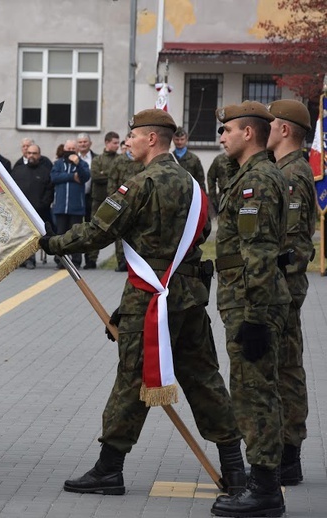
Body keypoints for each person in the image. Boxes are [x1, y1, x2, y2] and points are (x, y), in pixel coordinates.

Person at [39, 109, 245, 501]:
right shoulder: (192, 184)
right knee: (204, 378)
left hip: (150, 299)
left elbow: (97, 232)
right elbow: (203, 230)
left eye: (133, 135)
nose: (128, 141)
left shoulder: (139, 185)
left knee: (132, 380)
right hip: (188, 297)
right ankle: (235, 467)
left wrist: (50, 243)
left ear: (152, 139)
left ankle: (108, 470)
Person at [211, 101, 291, 518]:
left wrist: (256, 317)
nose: (221, 136)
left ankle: (264, 492)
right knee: (256, 391)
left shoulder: (256, 182)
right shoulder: (248, 175)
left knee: (254, 395)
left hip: (251, 304)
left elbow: (258, 252)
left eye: (227, 130)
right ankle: (265, 486)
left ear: (248, 133)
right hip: (246, 299)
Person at [266, 100, 316, 486]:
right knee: (281, 367)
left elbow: (295, 246)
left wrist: (271, 280)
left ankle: (288, 455)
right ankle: (284, 453)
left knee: (285, 370)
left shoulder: (292, 175)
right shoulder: (282, 171)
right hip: (280, 286)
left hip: (284, 287)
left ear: (283, 129)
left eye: (269, 124)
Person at [10, 144, 54, 268]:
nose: (31, 156)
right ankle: (20, 260)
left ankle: (31, 260)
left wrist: (43, 205)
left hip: (38, 211)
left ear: (39, 155)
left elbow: (49, 191)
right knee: (20, 236)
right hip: (20, 210)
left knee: (34, 237)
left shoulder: (45, 171)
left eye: (34, 153)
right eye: (29, 153)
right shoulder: (18, 170)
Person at [50, 139, 90, 268]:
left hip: (76, 207)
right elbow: (54, 177)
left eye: (73, 149)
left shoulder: (82, 163)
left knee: (75, 235)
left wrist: (78, 165)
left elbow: (85, 177)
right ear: (64, 149)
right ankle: (60, 260)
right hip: (61, 206)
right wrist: (72, 177)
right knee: (60, 234)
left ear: (77, 150)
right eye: (68, 149)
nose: (70, 151)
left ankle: (76, 260)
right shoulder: (58, 164)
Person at [106, 140, 144, 272]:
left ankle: (136, 263)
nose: (130, 148)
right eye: (128, 146)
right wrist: (113, 202)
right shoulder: (118, 161)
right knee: (120, 234)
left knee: (138, 234)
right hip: (121, 203)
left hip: (139, 204)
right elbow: (112, 182)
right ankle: (121, 261)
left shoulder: (142, 161)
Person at [85, 131, 120, 269]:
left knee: (118, 231)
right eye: (114, 143)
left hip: (116, 200)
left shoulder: (120, 159)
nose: (117, 146)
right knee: (96, 229)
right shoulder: (97, 160)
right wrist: (112, 176)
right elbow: (95, 176)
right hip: (99, 200)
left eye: (118, 143)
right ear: (107, 143)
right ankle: (91, 259)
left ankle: (121, 261)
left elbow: (121, 178)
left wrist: (105, 174)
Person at [171, 127, 206, 193]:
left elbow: (200, 181)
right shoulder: (170, 157)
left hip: (190, 194)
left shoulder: (194, 159)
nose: (179, 142)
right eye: (177, 139)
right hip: (173, 195)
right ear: (173, 139)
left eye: (182, 139)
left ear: (186, 139)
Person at [206, 151, 238, 215]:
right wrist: (213, 198)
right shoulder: (219, 160)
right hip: (223, 199)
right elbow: (211, 176)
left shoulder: (243, 159)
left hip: (239, 198)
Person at [75, 133, 97, 223]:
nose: (82, 144)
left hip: (91, 196)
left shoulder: (96, 158)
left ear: (90, 143)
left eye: (85, 142)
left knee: (90, 222)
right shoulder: (72, 158)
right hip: (75, 196)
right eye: (80, 142)